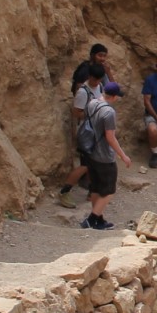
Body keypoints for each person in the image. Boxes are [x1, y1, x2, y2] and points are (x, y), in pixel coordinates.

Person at [56, 48, 112, 208]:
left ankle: (92, 192)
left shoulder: (99, 87)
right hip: (87, 133)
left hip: (97, 131)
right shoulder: (83, 92)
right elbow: (77, 112)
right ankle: (64, 192)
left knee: (95, 163)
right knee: (86, 165)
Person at [76, 80, 133, 231]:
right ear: (113, 97)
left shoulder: (92, 103)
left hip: (91, 152)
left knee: (96, 187)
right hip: (104, 156)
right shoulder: (109, 112)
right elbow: (110, 137)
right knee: (108, 190)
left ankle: (99, 220)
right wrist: (123, 155)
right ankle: (91, 219)